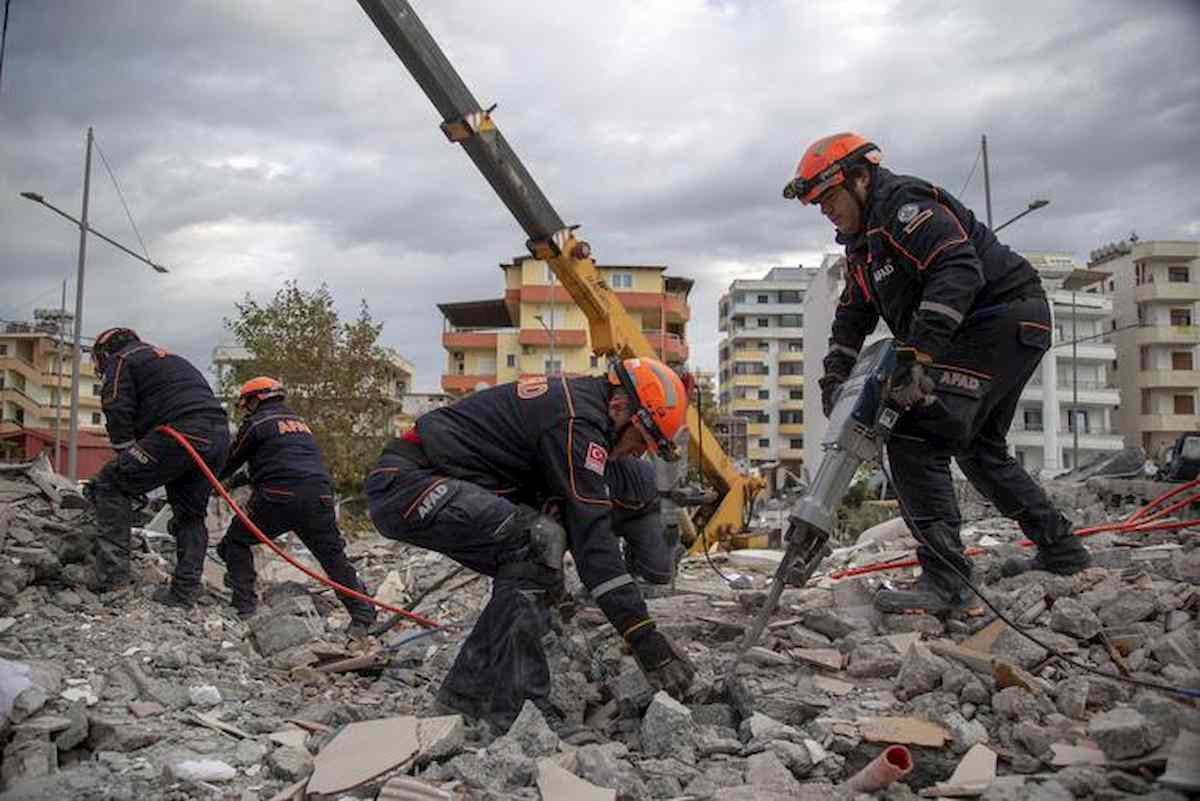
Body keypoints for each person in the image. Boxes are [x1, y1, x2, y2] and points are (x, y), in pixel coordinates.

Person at [784, 132, 1090, 613]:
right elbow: (853, 316)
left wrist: (918, 355)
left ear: (860, 179)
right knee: (977, 448)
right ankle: (1063, 550)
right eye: (818, 205)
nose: (826, 212)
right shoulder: (863, 247)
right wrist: (833, 377)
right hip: (1011, 324)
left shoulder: (902, 205)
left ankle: (947, 582)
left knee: (912, 428)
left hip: (999, 317)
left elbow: (957, 266)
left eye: (829, 199)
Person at [365, 357, 695, 731]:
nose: (638, 453)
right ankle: (523, 711)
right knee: (538, 546)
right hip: (407, 484)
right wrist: (644, 637)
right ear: (619, 408)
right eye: (640, 441)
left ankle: (463, 699)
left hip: (422, 482)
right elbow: (595, 545)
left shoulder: (579, 410)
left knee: (533, 569)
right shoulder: (577, 424)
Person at [216, 377, 377, 634]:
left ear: (256, 400)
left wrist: (214, 480)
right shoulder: (300, 425)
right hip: (319, 497)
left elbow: (228, 461)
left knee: (234, 542)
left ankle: (244, 606)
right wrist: (232, 484)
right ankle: (362, 616)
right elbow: (279, 463)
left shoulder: (257, 423)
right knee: (333, 558)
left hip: (277, 497)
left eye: (246, 404)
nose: (245, 410)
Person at [88, 328, 230, 608]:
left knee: (110, 483)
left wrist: (125, 462)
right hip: (218, 436)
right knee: (190, 516)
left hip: (181, 433)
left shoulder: (122, 361)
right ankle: (184, 592)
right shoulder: (170, 360)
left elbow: (117, 408)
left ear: (105, 352)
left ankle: (112, 579)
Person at [606, 456, 676, 588]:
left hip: (640, 513)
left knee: (661, 572)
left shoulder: (648, 474)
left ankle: (634, 557)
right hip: (598, 515)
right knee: (604, 576)